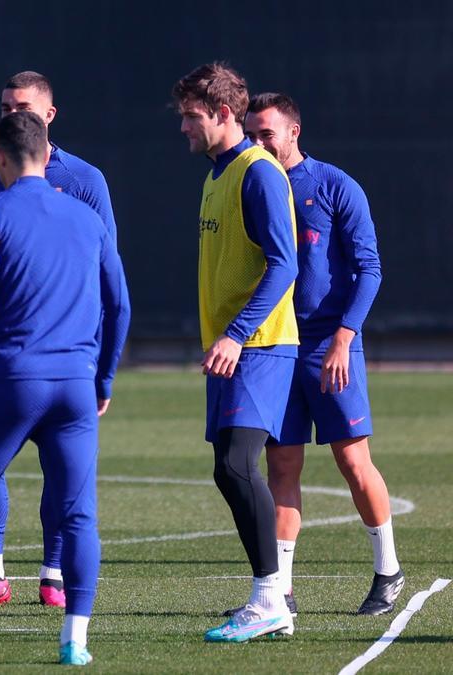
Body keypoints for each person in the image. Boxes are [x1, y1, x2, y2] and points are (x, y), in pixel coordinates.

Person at [0, 111, 130, 666]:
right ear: (48, 156)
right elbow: (120, 303)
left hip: (9, 381)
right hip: (73, 386)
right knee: (79, 514)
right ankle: (75, 641)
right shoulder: (87, 217)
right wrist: (106, 375)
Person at [244, 92, 402, 615]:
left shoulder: (335, 185)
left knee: (353, 461)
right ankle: (279, 589)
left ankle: (388, 572)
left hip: (330, 346)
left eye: (266, 132)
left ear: (294, 131)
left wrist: (344, 337)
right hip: (276, 347)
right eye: (252, 133)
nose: (257, 142)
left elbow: (369, 270)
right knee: (280, 467)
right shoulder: (249, 183)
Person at [172, 62, 300, 642]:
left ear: (224, 114)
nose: (183, 128)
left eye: (191, 117)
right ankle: (270, 597)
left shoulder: (259, 172)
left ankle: (272, 598)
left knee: (237, 465)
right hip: (232, 351)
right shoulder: (214, 175)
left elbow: (285, 264)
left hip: (261, 346)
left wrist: (236, 333)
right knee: (227, 471)